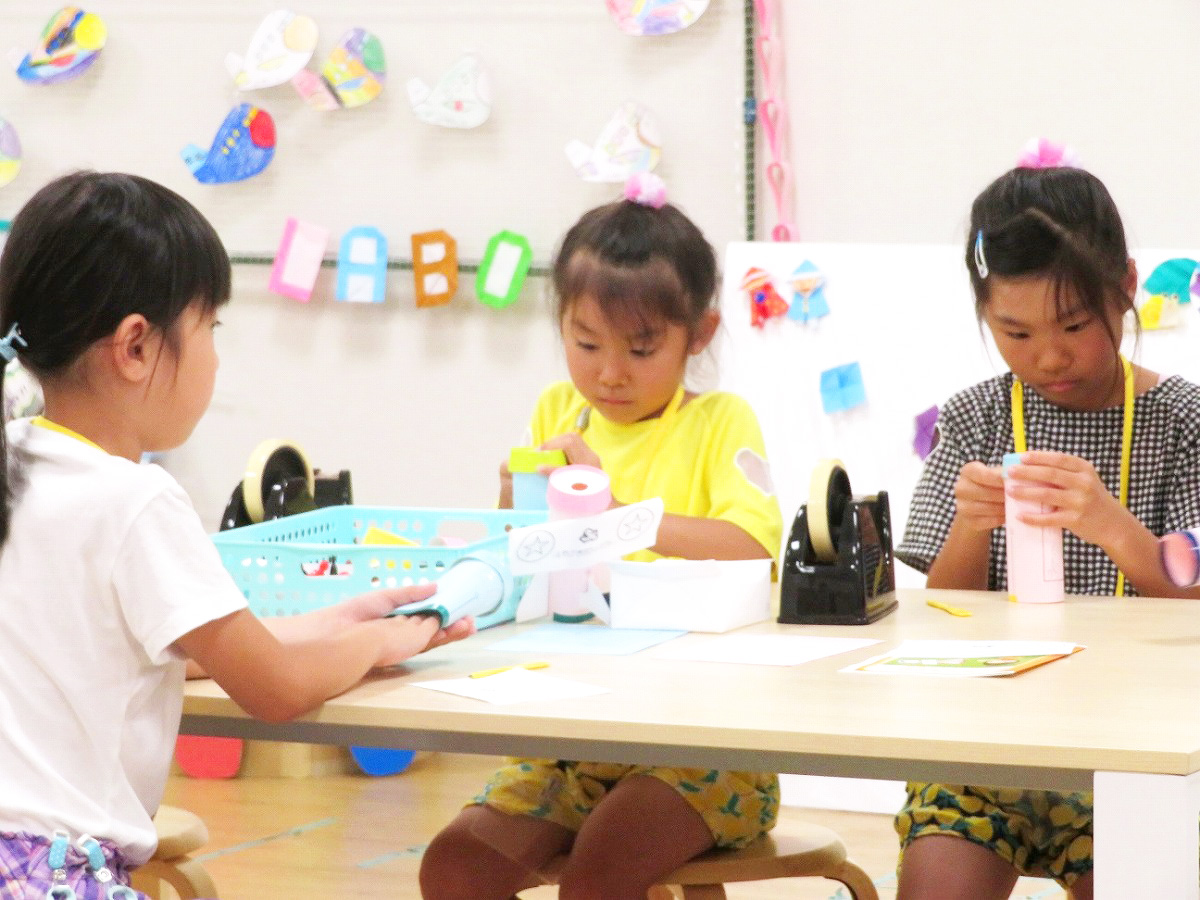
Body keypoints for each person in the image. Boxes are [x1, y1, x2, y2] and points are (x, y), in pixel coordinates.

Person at [0, 171, 472, 899]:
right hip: (55, 877)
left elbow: (130, 647)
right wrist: (378, 642)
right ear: (135, 347)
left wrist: (329, 623)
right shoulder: (135, 500)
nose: (216, 356)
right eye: (209, 328)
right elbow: (274, 692)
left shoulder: (14, 462)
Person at [419, 173, 783, 900]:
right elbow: (524, 567)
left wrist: (619, 515)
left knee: (602, 875)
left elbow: (755, 547)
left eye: (642, 350)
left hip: (704, 746)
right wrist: (512, 513)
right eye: (586, 343)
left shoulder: (720, 422)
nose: (610, 373)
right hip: (573, 739)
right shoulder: (561, 411)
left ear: (699, 335)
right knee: (455, 866)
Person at [894, 162, 1200, 899]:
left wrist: (1112, 525)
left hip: (1138, 751)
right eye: (1015, 332)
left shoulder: (1182, 420)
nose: (1050, 356)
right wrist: (970, 527)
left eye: (1073, 324)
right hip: (987, 746)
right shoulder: (975, 417)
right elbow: (941, 603)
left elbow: (1194, 591)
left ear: (1125, 284)